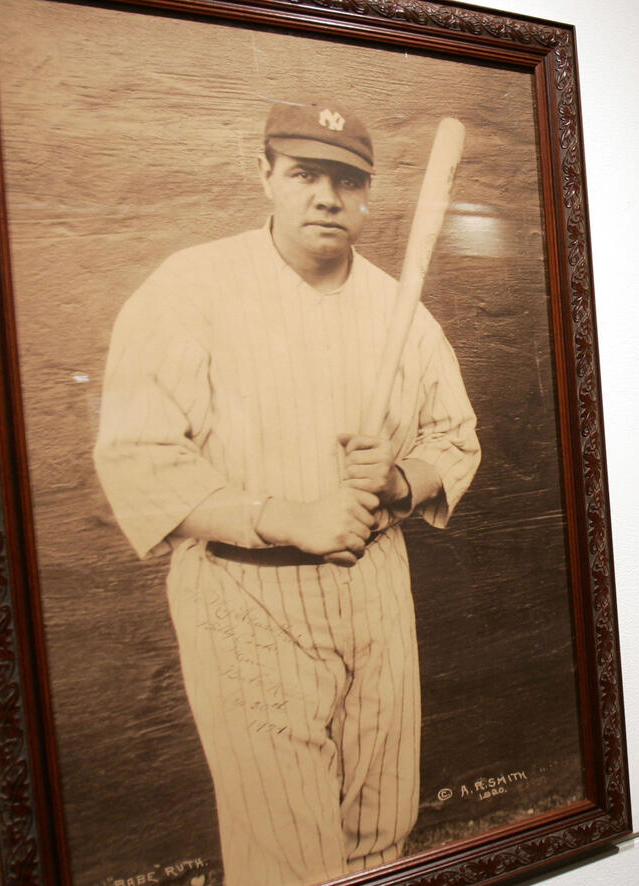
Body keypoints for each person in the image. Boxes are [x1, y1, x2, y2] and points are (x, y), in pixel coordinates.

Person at [94, 100, 482, 885]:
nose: (326, 198)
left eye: (347, 180)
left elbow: (455, 438)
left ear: (368, 193)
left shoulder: (400, 310)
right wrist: (286, 518)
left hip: (376, 587)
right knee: (288, 860)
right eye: (305, 174)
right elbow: (138, 456)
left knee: (382, 837)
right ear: (265, 174)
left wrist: (399, 482)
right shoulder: (190, 289)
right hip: (245, 597)